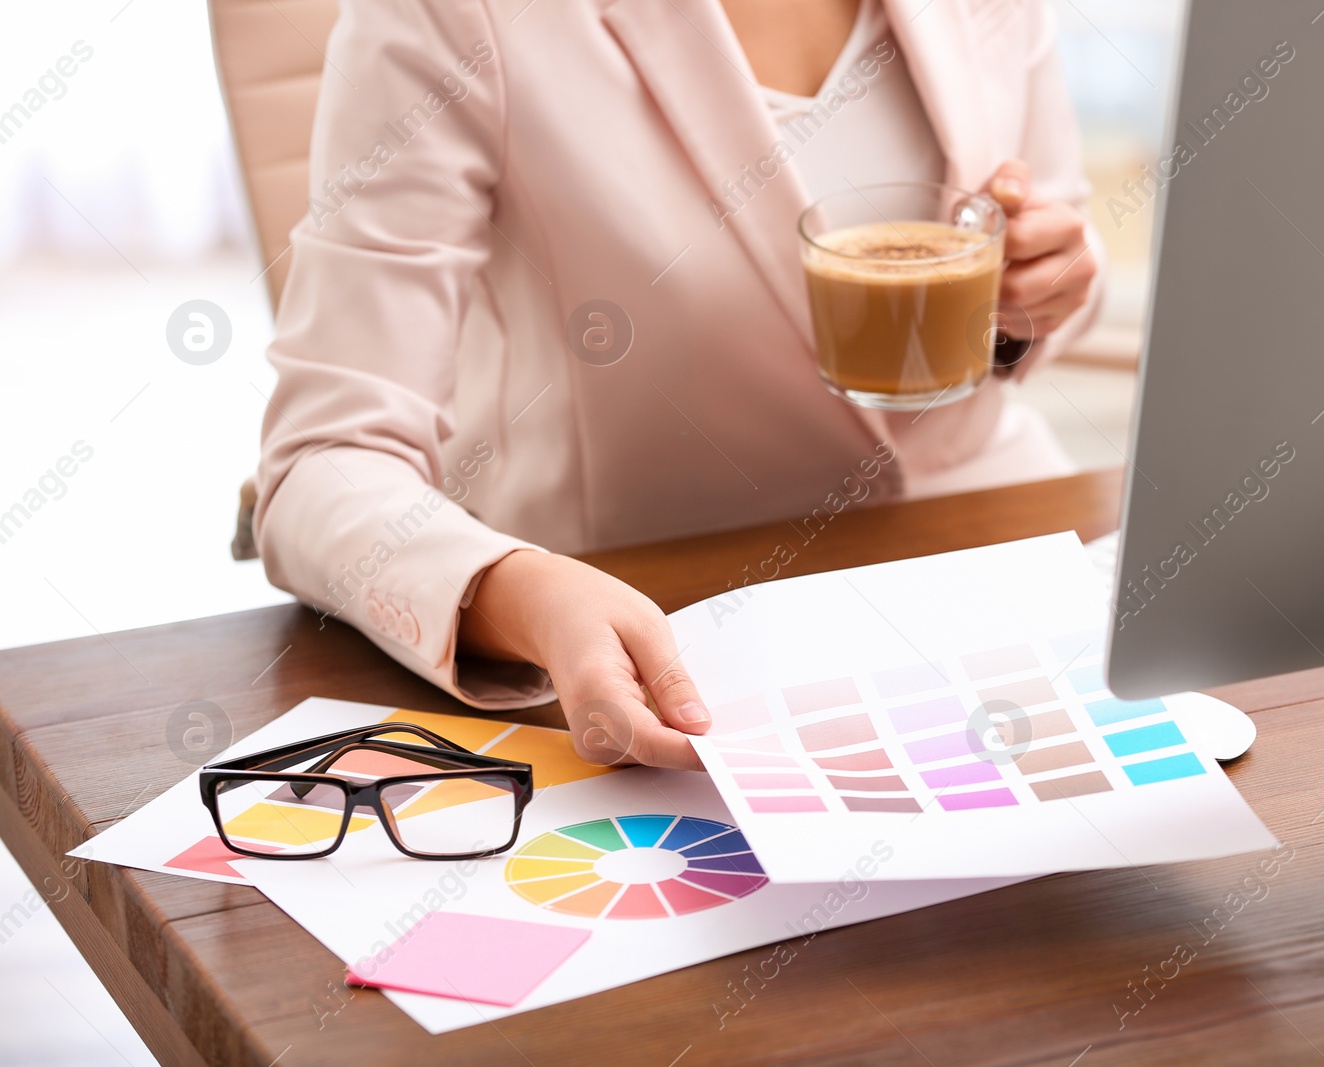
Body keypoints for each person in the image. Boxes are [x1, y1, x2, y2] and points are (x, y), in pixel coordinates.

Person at [255, 0, 1105, 771]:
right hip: (666, 626)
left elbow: (1046, 254)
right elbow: (322, 463)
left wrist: (1036, 295)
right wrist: (520, 593)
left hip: (995, 567)